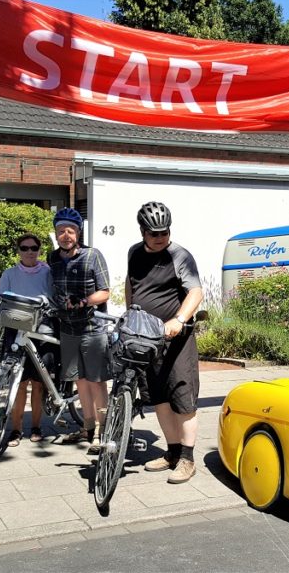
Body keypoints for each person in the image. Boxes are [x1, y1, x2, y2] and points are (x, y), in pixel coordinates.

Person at [125, 202, 204, 485]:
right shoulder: (134, 252)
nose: (160, 237)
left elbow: (195, 290)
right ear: (143, 231)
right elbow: (131, 284)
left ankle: (187, 458)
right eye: (153, 233)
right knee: (158, 397)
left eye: (164, 231)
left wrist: (180, 319)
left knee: (182, 399)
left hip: (176, 340)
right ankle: (171, 452)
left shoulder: (179, 255)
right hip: (146, 338)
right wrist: (129, 312)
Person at [47, 208, 111, 453]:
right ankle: (88, 427)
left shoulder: (93, 255)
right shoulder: (52, 259)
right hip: (67, 329)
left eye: (70, 230)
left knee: (97, 382)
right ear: (55, 233)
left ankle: (104, 431)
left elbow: (105, 291)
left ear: (78, 233)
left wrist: (84, 301)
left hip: (93, 328)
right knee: (80, 381)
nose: (66, 235)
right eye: (61, 231)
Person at [0, 233, 52, 446]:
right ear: (18, 250)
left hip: (41, 331)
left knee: (38, 384)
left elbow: (53, 297)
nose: (30, 252)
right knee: (17, 383)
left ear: (39, 250)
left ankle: (36, 426)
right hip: (15, 330)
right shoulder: (9, 273)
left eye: (34, 248)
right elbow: (1, 297)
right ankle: (16, 430)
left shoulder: (47, 272)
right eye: (25, 248)